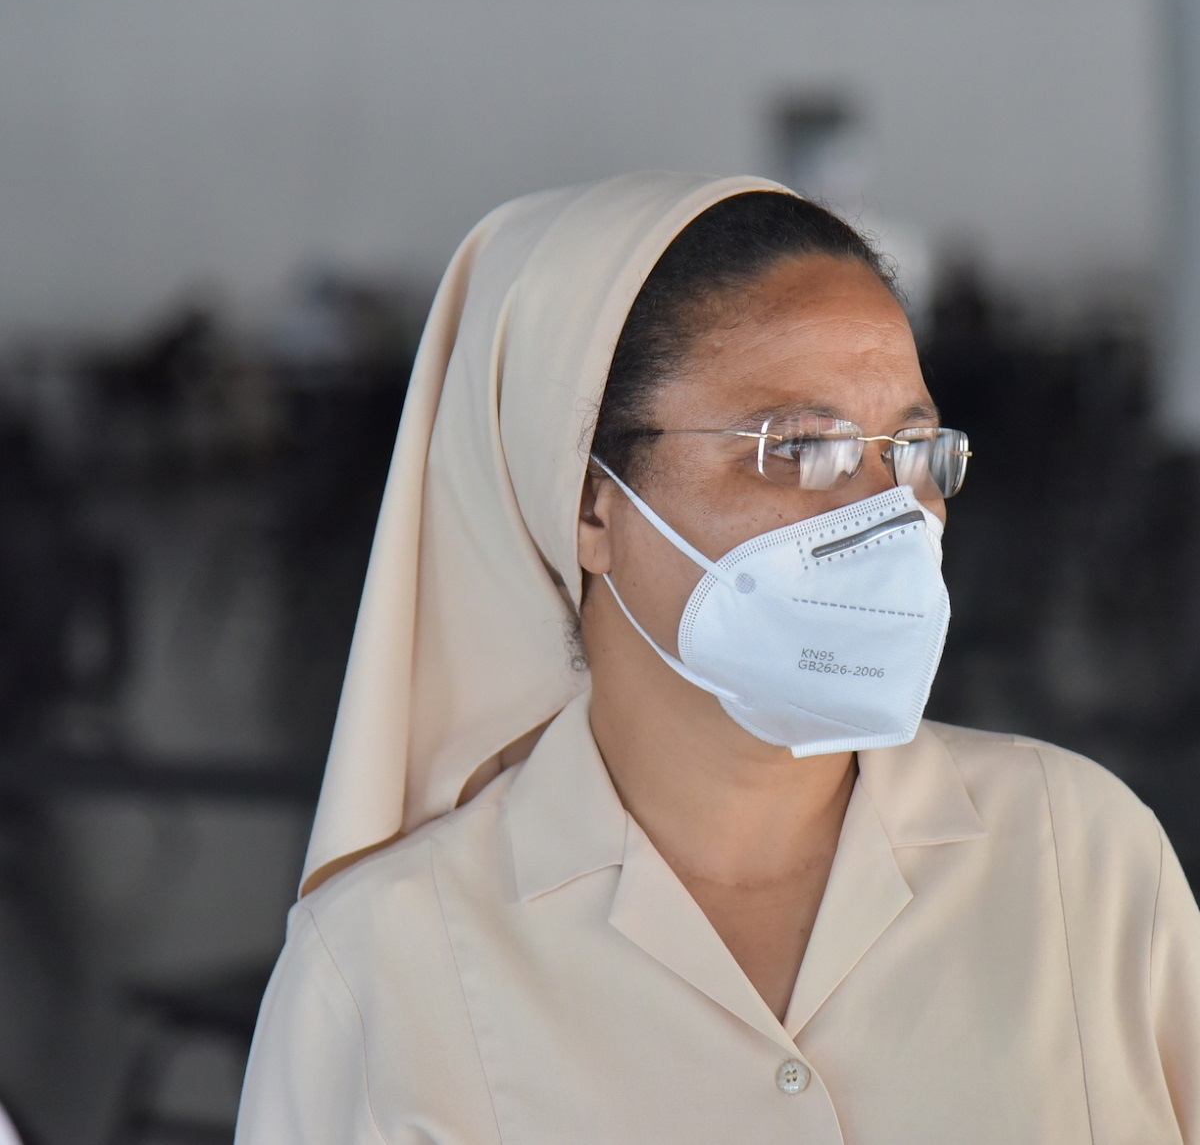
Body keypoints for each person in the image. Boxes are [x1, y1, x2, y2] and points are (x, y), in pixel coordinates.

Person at [235, 172, 1200, 1143]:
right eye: (797, 446)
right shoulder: (385, 970)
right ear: (588, 504)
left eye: (911, 448)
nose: (890, 512)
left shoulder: (1084, 860)